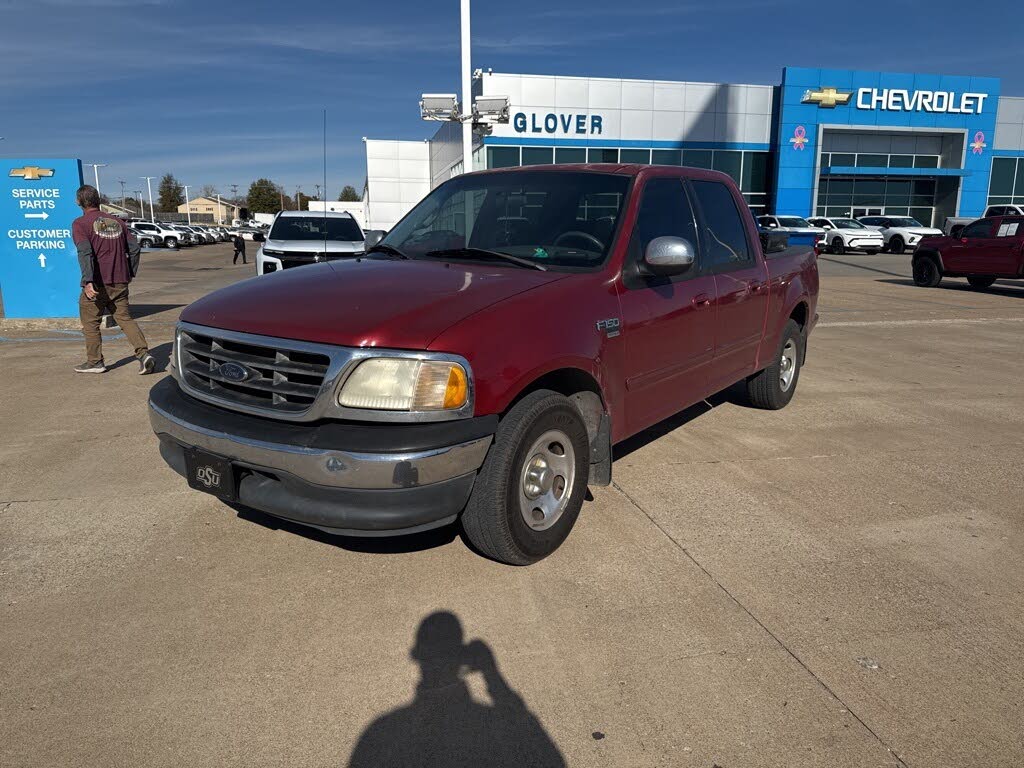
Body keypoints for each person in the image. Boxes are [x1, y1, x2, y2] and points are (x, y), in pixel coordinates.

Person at [72, 185, 155, 374]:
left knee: (90, 322)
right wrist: (130, 272)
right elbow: (134, 248)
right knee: (125, 319)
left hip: (98, 283)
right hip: (120, 280)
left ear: (79, 202)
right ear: (99, 200)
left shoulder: (80, 224)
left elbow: (85, 252)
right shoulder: (118, 222)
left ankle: (95, 362)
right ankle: (143, 354)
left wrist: (88, 280)